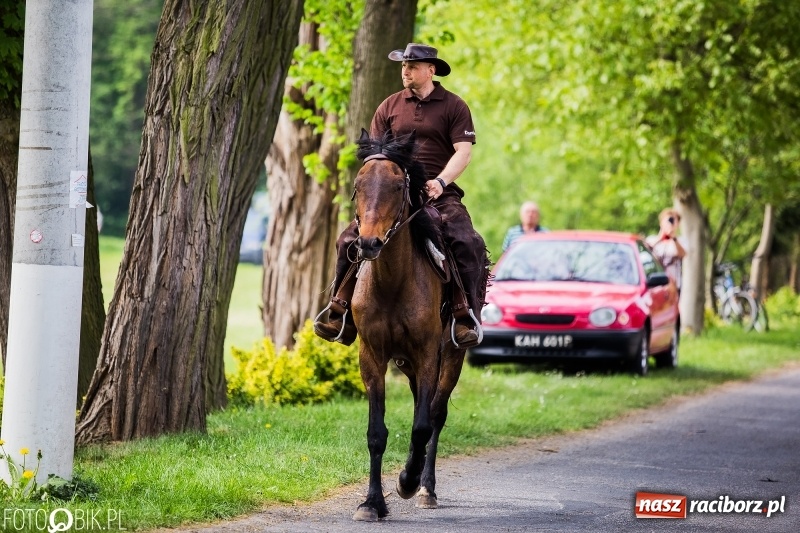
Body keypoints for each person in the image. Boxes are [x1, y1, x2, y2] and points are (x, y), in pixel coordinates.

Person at [314, 43, 489, 348]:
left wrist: (441, 181)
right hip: (393, 196)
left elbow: (464, 152)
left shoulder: (454, 106)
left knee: (467, 241)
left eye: (413, 66)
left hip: (437, 193)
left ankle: (464, 315)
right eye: (403, 66)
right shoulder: (389, 106)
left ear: (430, 70)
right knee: (347, 240)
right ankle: (340, 309)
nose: (406, 72)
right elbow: (376, 157)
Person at [646, 208, 688, 292]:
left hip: (673, 285)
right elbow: (646, 251)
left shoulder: (680, 241)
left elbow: (682, 254)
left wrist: (673, 238)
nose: (670, 223)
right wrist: (660, 237)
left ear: (678, 224)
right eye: (668, 220)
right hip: (653, 283)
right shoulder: (651, 239)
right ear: (661, 222)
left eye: (673, 221)